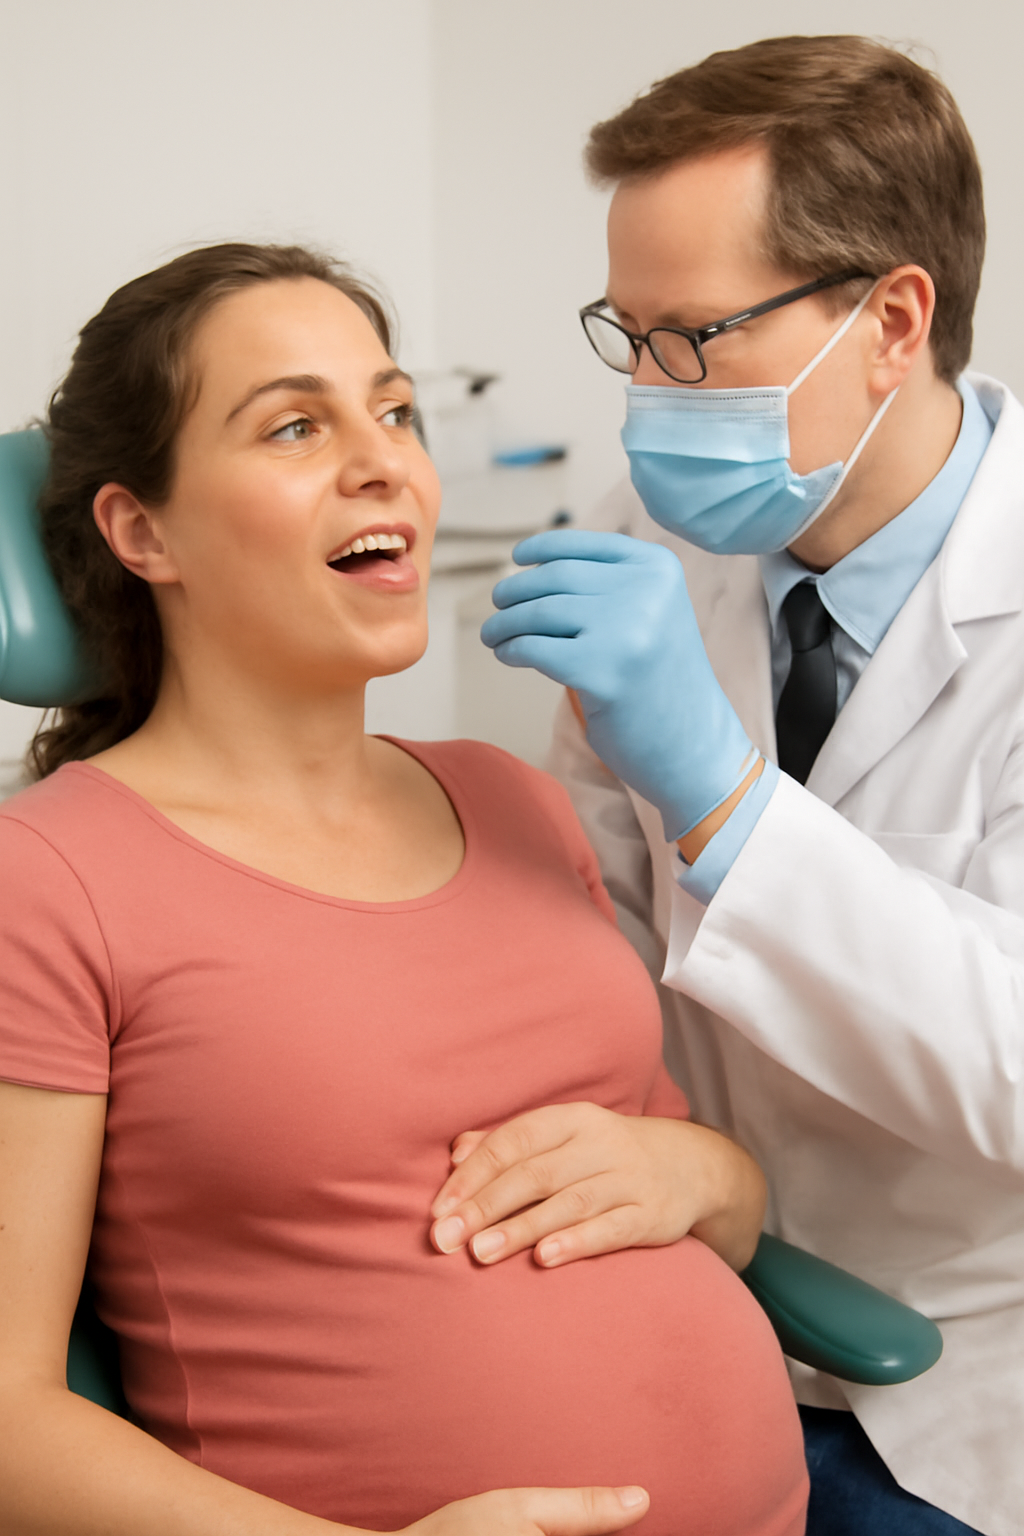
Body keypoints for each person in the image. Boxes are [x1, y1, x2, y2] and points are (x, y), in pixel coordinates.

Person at [0, 242, 809, 1536]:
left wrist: (703, 1175)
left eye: (393, 412)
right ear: (141, 529)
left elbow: (710, 1184)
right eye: (296, 426)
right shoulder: (48, 880)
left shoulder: (513, 795)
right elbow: (6, 1424)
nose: (384, 461)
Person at [481, 34, 1023, 1536]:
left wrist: (725, 803)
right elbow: (588, 932)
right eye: (628, 333)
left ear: (892, 319)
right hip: (697, 1298)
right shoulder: (653, 543)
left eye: (697, 341)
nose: (650, 398)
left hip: (974, 1372)